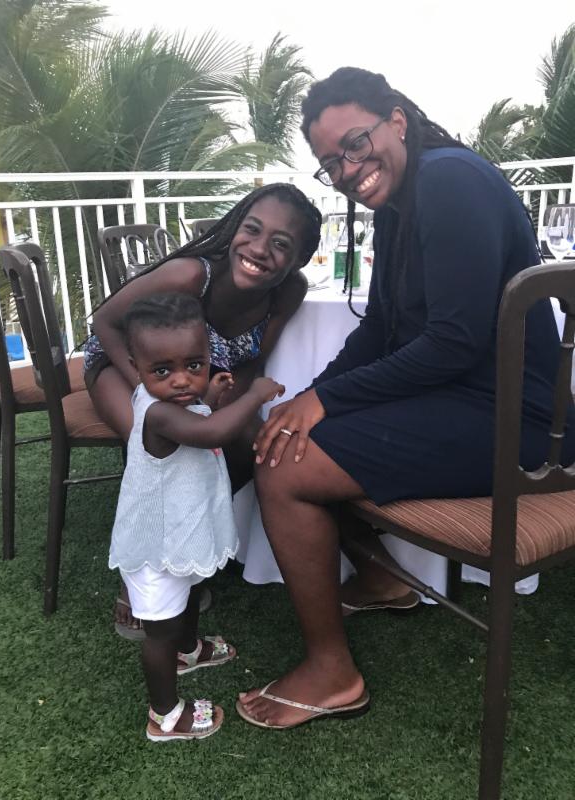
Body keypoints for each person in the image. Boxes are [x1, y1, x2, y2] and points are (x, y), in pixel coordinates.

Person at [236, 67, 575, 729]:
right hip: (469, 402)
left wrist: (326, 403)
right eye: (331, 163)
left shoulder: (449, 180)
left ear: (396, 121)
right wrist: (314, 396)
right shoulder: (402, 201)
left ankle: (333, 674)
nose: (347, 169)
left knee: (284, 467)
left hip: (519, 422)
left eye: (354, 144)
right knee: (288, 432)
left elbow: (452, 342)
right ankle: (385, 579)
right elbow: (382, 331)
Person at [83, 183, 323, 637]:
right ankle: (138, 578)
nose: (259, 248)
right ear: (235, 228)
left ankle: (190, 545)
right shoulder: (191, 276)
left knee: (249, 447)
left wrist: (226, 407)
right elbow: (106, 322)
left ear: (298, 260)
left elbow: (252, 358)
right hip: (124, 365)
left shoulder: (288, 292)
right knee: (158, 449)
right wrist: (150, 395)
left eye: (280, 243)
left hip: (201, 384)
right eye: (252, 229)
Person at [110, 292, 284, 740]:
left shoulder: (178, 401)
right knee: (161, 630)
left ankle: (188, 650)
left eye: (194, 365)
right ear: (135, 366)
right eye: (162, 371)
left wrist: (210, 396)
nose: (182, 381)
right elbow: (211, 432)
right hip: (156, 545)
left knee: (188, 593)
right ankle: (165, 715)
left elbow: (200, 415)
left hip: (180, 534)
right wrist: (254, 394)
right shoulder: (159, 414)